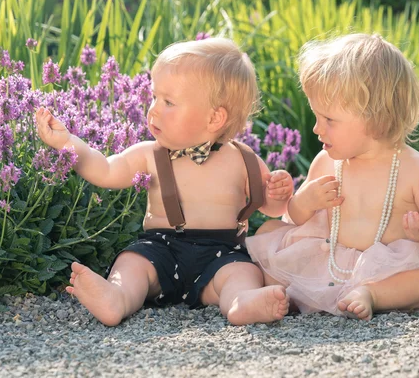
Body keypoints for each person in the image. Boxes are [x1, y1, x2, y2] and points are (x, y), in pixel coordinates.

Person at [246, 33, 419, 321]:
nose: (316, 128)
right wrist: (305, 200)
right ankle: (287, 294)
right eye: (316, 117)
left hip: (392, 269)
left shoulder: (417, 171)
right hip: (329, 260)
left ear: (376, 118)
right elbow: (295, 218)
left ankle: (375, 294)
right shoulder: (327, 162)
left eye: (328, 120)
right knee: (268, 234)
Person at [36, 38, 294, 326]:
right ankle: (116, 297)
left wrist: (277, 193)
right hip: (161, 250)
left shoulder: (243, 159)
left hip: (220, 256)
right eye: (155, 97)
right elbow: (106, 170)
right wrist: (68, 143)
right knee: (133, 263)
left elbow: (270, 208)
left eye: (168, 102)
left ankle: (241, 302)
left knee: (242, 273)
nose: (154, 110)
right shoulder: (150, 154)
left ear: (214, 118)